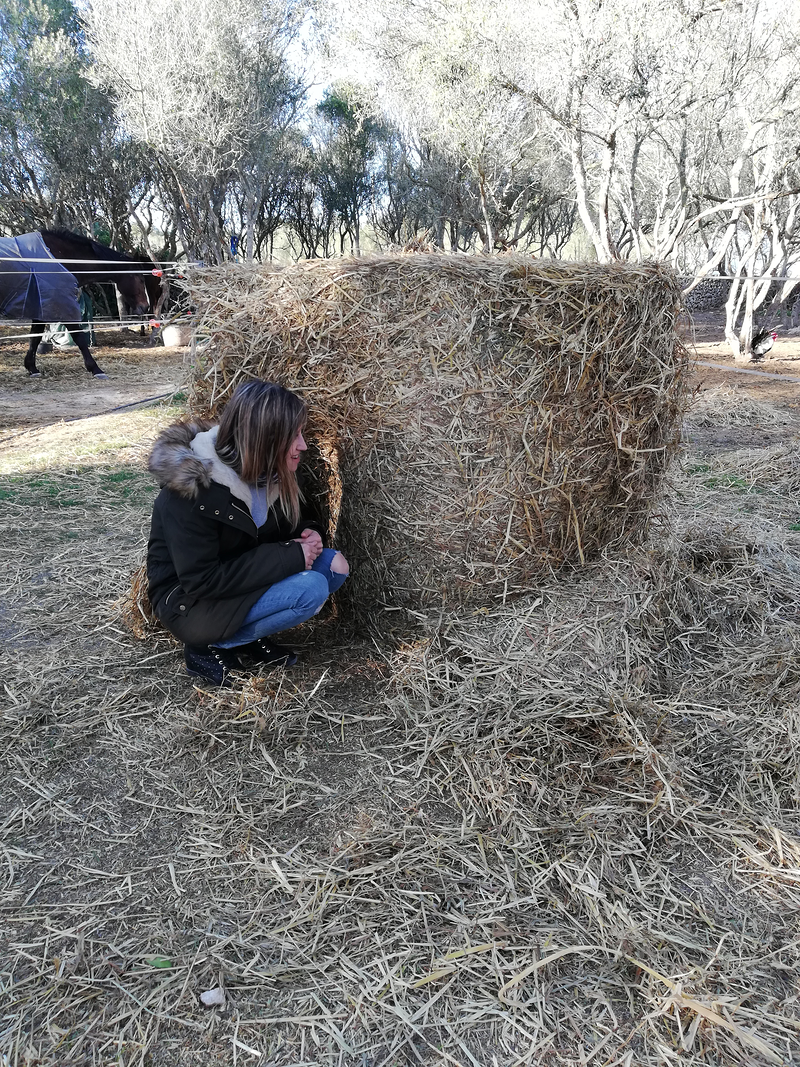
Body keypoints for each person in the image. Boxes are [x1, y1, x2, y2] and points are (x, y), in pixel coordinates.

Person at [146, 380, 349, 686]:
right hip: (191, 603)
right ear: (264, 438)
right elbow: (202, 581)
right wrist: (291, 556)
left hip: (242, 583)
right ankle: (210, 647)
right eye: (293, 435)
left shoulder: (273, 473)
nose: (303, 445)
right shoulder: (192, 492)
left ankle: (249, 637)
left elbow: (293, 524)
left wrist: (310, 534)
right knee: (311, 589)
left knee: (335, 567)